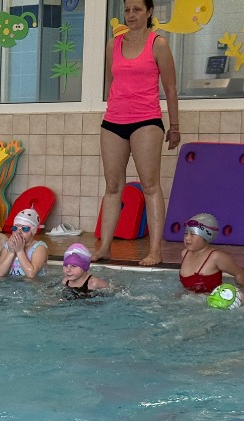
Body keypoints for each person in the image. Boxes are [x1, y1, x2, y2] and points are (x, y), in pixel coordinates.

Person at [93, 0, 179, 267]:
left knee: (150, 186)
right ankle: (105, 247)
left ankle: (155, 251)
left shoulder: (158, 44)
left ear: (149, 12)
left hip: (147, 121)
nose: (131, 15)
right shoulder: (113, 44)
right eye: (127, 10)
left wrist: (175, 126)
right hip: (113, 121)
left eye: (137, 10)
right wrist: (116, 106)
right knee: (112, 186)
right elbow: (111, 82)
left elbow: (171, 88)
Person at [178, 212, 244, 295]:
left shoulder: (216, 257)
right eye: (186, 233)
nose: (187, 238)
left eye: (193, 234)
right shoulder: (185, 253)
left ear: (206, 237)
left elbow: (239, 273)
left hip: (211, 301)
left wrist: (241, 294)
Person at [0, 208, 48, 279]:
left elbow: (31, 274)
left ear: (33, 231)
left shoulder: (39, 248)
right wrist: (11, 252)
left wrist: (19, 251)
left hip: (32, 285)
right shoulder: (8, 246)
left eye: (24, 228)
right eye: (15, 228)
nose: (18, 232)